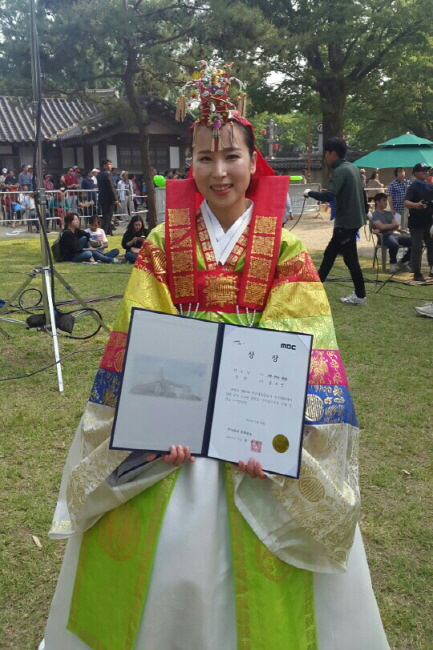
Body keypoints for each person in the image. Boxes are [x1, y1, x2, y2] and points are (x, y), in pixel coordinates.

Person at [39, 56, 389, 650]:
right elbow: (138, 339)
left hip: (250, 433)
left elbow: (304, 346)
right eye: (204, 157)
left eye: (231, 156)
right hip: (175, 430)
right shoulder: (161, 243)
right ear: (190, 165)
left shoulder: (283, 250)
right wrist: (158, 423)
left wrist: (271, 437)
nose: (219, 171)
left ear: (254, 162)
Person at [304, 137, 369, 304]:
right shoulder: (353, 167)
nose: (326, 157)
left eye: (326, 153)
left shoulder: (340, 171)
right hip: (353, 220)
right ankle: (315, 288)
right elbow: (363, 194)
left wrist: (309, 193)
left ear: (333, 153)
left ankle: (360, 295)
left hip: (345, 223)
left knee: (350, 259)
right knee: (330, 254)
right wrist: (365, 213)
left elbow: (328, 196)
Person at [404, 162, 433, 282]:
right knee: (417, 247)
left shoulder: (429, 186)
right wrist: (416, 205)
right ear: (416, 173)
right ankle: (417, 272)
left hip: (428, 221)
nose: (426, 172)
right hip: (416, 222)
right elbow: (406, 202)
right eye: (423, 170)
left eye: (427, 170)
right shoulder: (413, 187)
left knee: (431, 245)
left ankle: (432, 269)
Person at [371, 193, 411, 272]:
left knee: (414, 242)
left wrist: (382, 227)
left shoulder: (389, 213)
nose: (386, 202)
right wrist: (385, 227)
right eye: (384, 200)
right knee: (394, 244)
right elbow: (381, 226)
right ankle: (393, 263)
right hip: (383, 236)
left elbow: (396, 225)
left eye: (386, 200)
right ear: (377, 202)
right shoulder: (374, 215)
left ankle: (403, 261)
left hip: (394, 234)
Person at [97, 159, 119, 235]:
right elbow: (111, 187)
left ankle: (109, 231)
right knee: (108, 216)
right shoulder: (107, 174)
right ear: (104, 165)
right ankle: (104, 233)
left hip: (102, 198)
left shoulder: (99, 174)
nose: (110, 166)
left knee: (106, 215)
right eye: (109, 164)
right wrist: (115, 198)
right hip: (109, 198)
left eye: (111, 164)